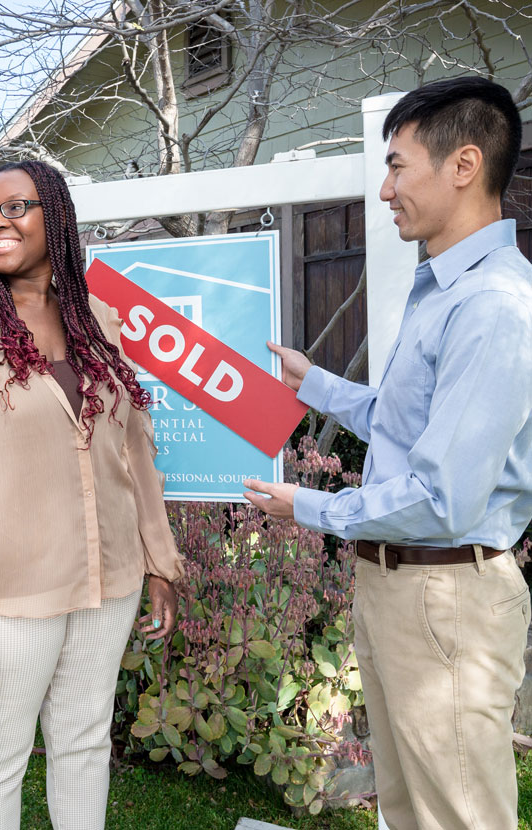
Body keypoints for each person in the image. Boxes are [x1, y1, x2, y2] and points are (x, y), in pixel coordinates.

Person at [244, 76, 532, 829]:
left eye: (398, 167)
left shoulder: (492, 305)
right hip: (406, 591)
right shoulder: (445, 289)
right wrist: (316, 385)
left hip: (447, 596)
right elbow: (407, 426)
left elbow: (443, 497)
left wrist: (309, 506)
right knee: (405, 811)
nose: (385, 190)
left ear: (463, 165)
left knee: (457, 815)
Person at [0, 158, 184, 830]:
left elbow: (134, 451)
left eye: (15, 206)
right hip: (10, 597)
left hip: (108, 582)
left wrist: (158, 562)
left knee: (84, 742)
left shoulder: (99, 321)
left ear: (55, 217)